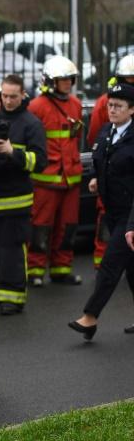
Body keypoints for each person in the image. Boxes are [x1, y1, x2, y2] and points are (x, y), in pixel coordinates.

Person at [69, 83, 134, 341]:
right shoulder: (108, 131)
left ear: (132, 109)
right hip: (113, 210)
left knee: (110, 264)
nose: (112, 109)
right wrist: (96, 176)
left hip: (131, 213)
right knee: (132, 270)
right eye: (110, 105)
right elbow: (98, 158)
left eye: (119, 106)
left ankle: (90, 317)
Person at [0, 75, 47, 315]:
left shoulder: (31, 124)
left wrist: (12, 152)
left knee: (11, 252)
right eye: (4, 96)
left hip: (16, 201)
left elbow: (40, 162)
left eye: (12, 96)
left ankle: (13, 298)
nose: (7, 101)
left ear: (23, 96)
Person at [26, 56, 84, 286]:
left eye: (70, 79)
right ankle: (35, 270)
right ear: (51, 81)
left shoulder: (76, 105)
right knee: (40, 226)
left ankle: (61, 268)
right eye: (63, 79)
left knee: (68, 226)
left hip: (71, 178)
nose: (68, 83)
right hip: (45, 179)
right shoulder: (37, 106)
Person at [87, 55, 134, 270]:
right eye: (128, 79)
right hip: (112, 176)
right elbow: (96, 139)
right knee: (107, 223)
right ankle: (104, 266)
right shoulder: (106, 103)